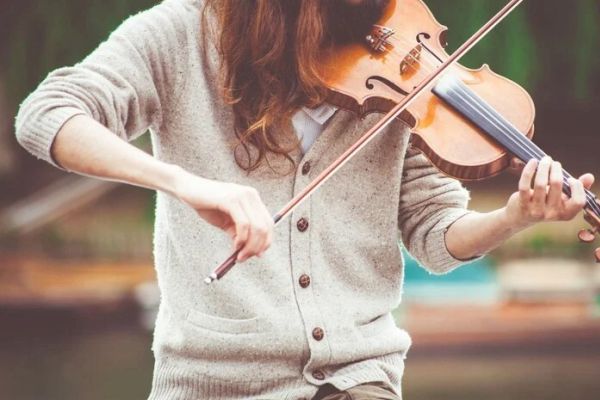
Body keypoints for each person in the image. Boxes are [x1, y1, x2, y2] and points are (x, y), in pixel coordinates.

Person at [14, 0, 594, 399]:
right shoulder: (179, 34)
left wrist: (515, 216)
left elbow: (436, 233)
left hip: (358, 376)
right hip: (212, 381)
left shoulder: (397, 70)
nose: (368, 35)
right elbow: (47, 115)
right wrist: (184, 182)